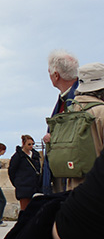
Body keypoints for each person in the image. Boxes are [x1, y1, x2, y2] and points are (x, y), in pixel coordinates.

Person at [43, 49, 79, 192]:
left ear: (56, 75)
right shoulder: (65, 98)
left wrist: (54, 138)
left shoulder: (78, 100)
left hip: (73, 176)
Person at [7, 135, 42, 211]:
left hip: (35, 186)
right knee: (24, 210)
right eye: (29, 144)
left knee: (35, 209)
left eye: (33, 144)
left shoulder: (35, 155)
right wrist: (18, 183)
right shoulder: (18, 156)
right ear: (23, 143)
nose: (31, 146)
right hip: (23, 186)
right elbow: (11, 171)